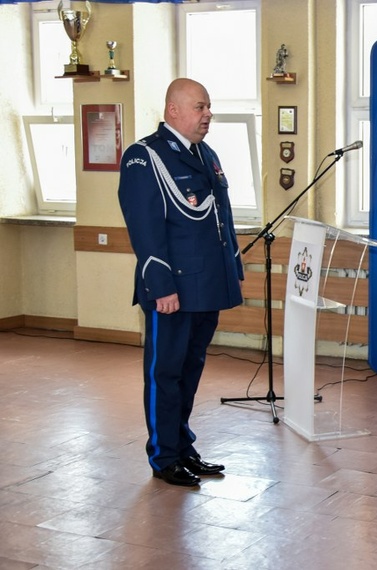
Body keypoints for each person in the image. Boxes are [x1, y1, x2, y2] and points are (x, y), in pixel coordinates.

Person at [118, 78, 244, 487]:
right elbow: (145, 228)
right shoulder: (145, 157)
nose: (207, 114)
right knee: (165, 373)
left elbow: (220, 217)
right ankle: (164, 456)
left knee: (189, 371)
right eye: (200, 107)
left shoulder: (204, 154)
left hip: (206, 284)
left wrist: (232, 269)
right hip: (172, 288)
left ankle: (183, 446)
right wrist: (160, 285)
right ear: (173, 110)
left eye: (208, 107)